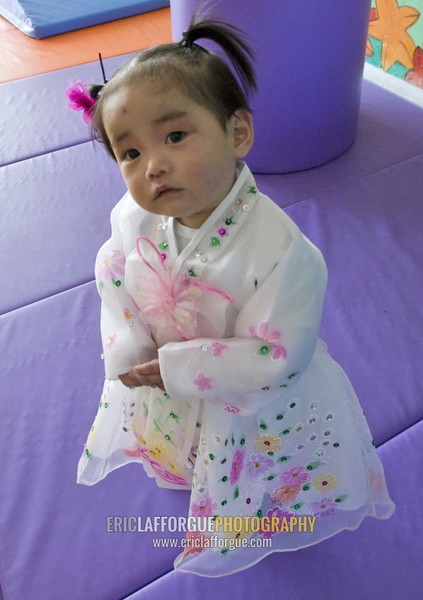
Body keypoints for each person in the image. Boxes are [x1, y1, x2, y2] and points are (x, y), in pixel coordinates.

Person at [68, 14, 395, 577]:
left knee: (249, 457)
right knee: (182, 440)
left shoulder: (282, 251)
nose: (154, 166)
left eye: (174, 136)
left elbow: (275, 355)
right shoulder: (132, 217)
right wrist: (128, 346)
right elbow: (113, 272)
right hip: (161, 372)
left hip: (246, 391)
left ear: (237, 132)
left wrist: (176, 365)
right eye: (129, 153)